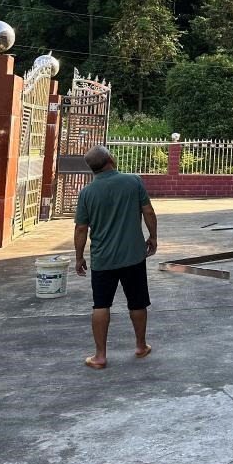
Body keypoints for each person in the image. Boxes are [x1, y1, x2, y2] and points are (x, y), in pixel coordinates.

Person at [74, 145, 158, 369]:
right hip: (133, 256)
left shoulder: (87, 193)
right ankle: (141, 346)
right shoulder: (133, 181)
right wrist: (153, 237)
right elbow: (148, 211)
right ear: (110, 159)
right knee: (137, 302)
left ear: (92, 168)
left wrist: (79, 257)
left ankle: (100, 356)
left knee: (101, 304)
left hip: (103, 259)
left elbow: (81, 228)